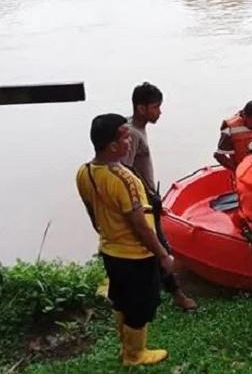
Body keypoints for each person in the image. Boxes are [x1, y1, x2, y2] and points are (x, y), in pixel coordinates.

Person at [76, 114, 171, 366]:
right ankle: (134, 354)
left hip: (110, 250)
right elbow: (140, 224)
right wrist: (162, 254)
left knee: (121, 299)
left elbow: (92, 212)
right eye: (125, 137)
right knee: (140, 304)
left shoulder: (84, 172)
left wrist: (106, 232)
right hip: (135, 255)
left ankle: (125, 346)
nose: (130, 141)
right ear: (112, 146)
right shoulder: (124, 179)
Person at [123, 82, 197, 312]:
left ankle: (159, 289)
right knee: (160, 246)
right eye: (155, 107)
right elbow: (125, 170)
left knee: (153, 247)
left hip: (147, 198)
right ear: (141, 108)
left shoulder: (132, 127)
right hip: (142, 202)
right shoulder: (132, 134)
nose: (159, 112)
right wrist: (147, 196)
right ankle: (178, 295)